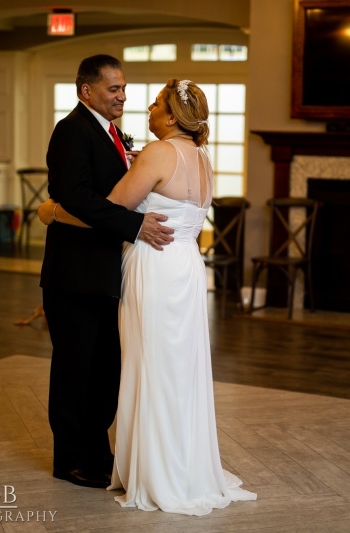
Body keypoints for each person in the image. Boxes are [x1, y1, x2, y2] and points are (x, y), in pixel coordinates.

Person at [39, 79, 257, 515]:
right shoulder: (202, 157)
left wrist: (53, 211)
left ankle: (156, 471)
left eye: (157, 104)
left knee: (148, 365)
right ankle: (184, 466)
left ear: (172, 117)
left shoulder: (159, 152)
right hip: (187, 269)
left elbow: (110, 210)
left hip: (154, 267)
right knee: (179, 369)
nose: (148, 109)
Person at [40, 54, 175, 490]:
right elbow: (77, 196)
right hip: (75, 274)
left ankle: (97, 451)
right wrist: (135, 226)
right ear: (87, 91)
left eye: (123, 87)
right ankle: (70, 459)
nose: (123, 96)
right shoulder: (71, 131)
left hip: (107, 273)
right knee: (75, 370)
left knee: (105, 370)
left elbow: (110, 189)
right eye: (113, 89)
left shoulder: (112, 132)